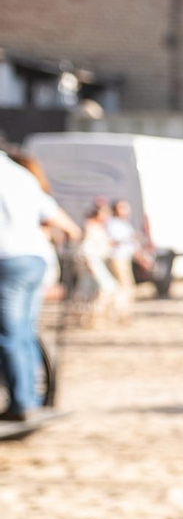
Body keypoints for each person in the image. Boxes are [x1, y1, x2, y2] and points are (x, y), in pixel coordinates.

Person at [1, 150, 80, 422]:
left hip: (7, 259)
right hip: (35, 259)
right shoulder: (20, 174)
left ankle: (21, 402)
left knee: (8, 335)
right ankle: (31, 397)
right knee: (24, 332)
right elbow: (67, 225)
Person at [105, 199, 139, 322]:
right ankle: (122, 313)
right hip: (117, 258)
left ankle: (124, 312)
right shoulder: (112, 223)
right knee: (123, 286)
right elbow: (112, 241)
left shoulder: (125, 224)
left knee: (128, 286)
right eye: (122, 208)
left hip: (125, 258)